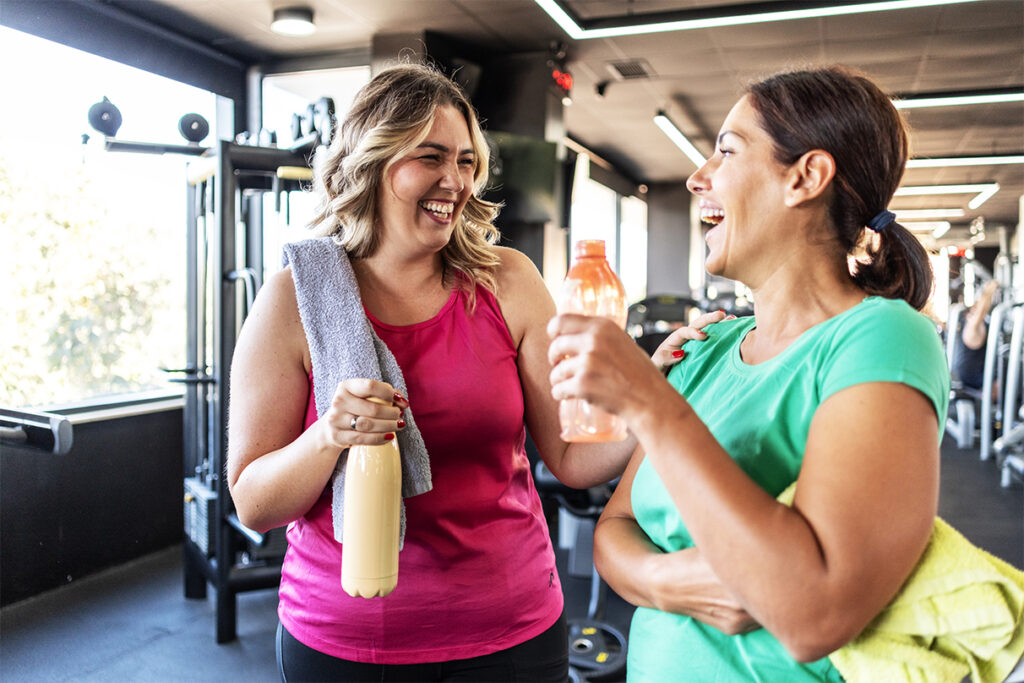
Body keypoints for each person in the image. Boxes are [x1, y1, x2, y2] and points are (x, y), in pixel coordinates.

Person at [225, 63, 637, 682]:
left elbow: (574, 460)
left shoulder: (509, 282)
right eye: (431, 157)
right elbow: (254, 504)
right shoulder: (294, 301)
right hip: (349, 640)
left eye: (467, 161)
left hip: (512, 628)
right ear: (371, 161)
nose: (456, 181)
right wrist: (328, 435)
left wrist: (658, 398)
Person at [547, 65, 950, 681]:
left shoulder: (883, 337)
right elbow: (616, 529)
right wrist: (669, 582)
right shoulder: (706, 348)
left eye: (727, 151)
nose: (698, 177)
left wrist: (650, 404)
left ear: (805, 177)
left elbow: (813, 615)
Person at [952, 278, 999, 391]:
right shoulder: (971, 328)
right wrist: (990, 290)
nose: (974, 310)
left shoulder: (982, 325)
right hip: (972, 378)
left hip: (976, 373)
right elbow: (980, 312)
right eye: (972, 311)